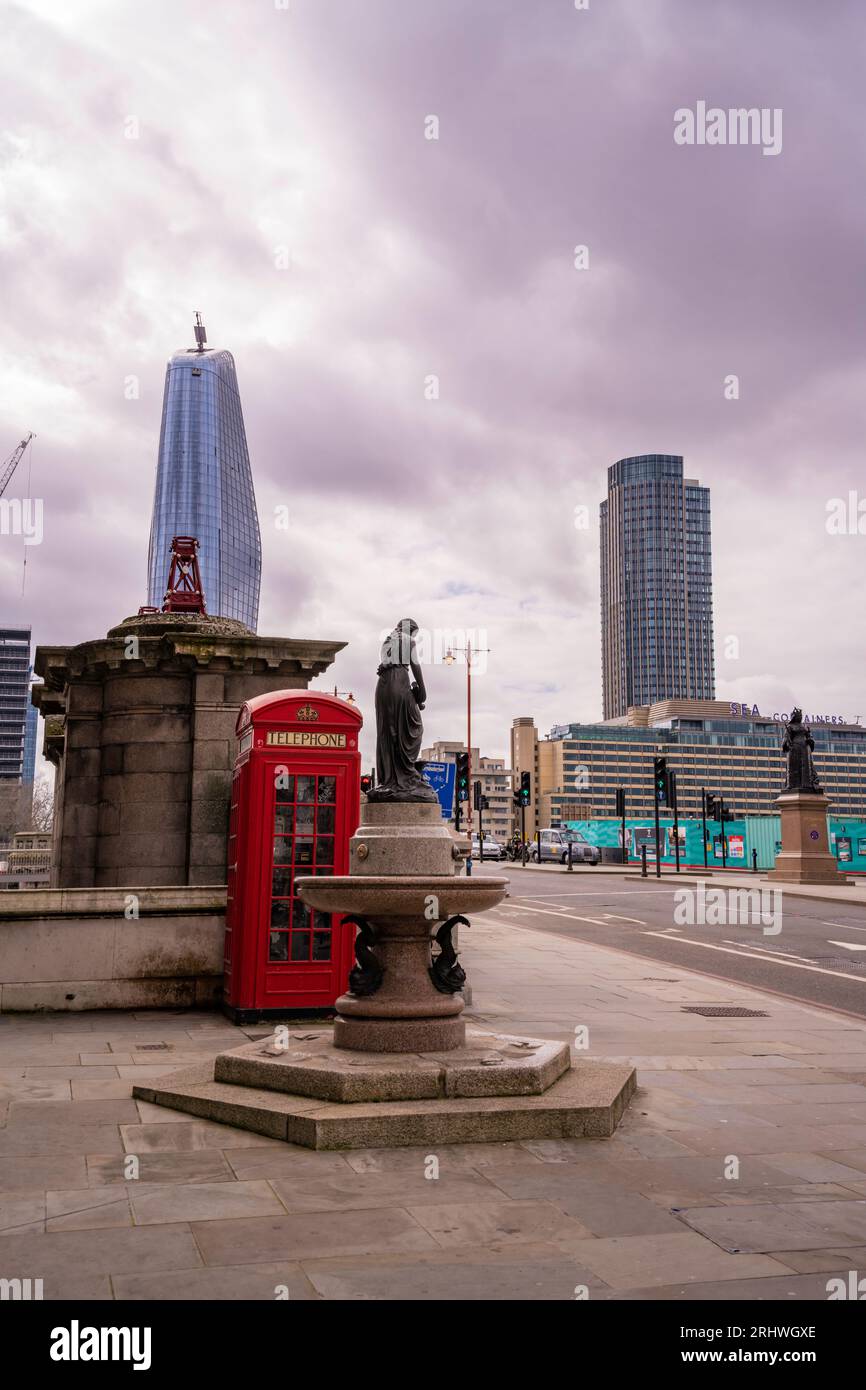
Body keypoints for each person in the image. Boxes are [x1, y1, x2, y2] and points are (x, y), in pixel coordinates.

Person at [368, 618, 438, 802]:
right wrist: (422, 692)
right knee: (414, 727)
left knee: (388, 731)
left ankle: (390, 779)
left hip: (382, 686)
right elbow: (415, 666)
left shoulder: (388, 640)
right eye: (414, 632)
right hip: (399, 680)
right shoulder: (408, 640)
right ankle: (405, 776)